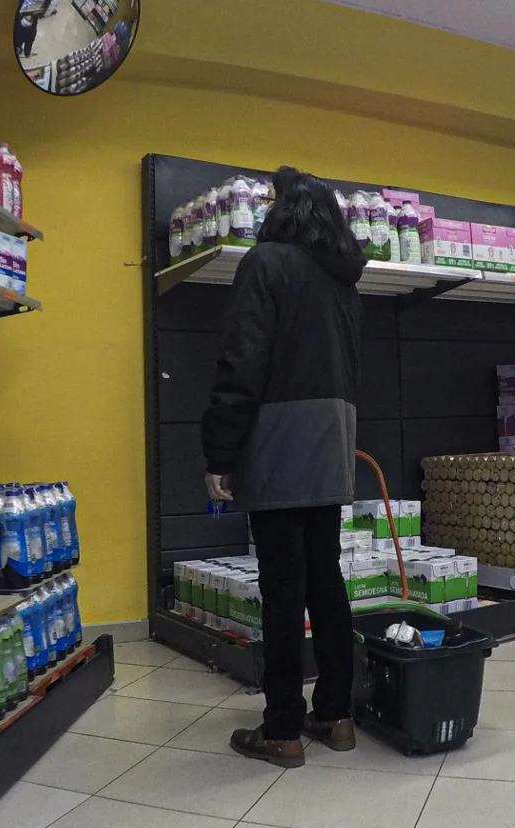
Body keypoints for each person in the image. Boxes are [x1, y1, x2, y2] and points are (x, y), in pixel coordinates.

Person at [200, 166, 365, 769]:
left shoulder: (266, 264)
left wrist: (220, 451)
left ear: (283, 210)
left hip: (278, 437)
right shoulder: (344, 281)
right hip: (332, 437)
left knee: (282, 587)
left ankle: (282, 730)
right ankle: (337, 715)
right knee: (327, 578)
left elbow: (242, 360)